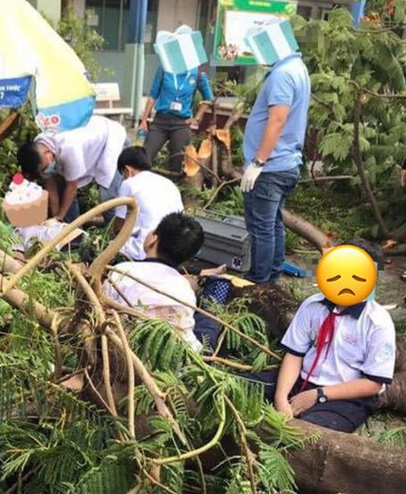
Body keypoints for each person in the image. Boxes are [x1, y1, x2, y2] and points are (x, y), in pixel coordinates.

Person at [250, 239, 396, 433]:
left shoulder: (377, 322)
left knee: (308, 433)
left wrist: (318, 395)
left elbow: (373, 384)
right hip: (302, 380)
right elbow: (294, 354)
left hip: (347, 397)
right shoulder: (313, 305)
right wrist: (281, 398)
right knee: (240, 387)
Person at [240, 37, 311, 284]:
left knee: (261, 225)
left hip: (270, 166)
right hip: (286, 162)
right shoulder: (297, 67)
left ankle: (259, 280)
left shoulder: (282, 74)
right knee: (273, 222)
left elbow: (277, 120)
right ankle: (273, 274)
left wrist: (258, 162)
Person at [103, 212, 225, 352]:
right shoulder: (184, 289)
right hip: (173, 353)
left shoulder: (121, 271)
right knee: (209, 320)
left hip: (121, 344)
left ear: (153, 239)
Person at [17, 115, 127, 224]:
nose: (46, 170)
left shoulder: (68, 148)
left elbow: (71, 187)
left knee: (107, 197)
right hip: (89, 144)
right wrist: (55, 220)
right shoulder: (38, 147)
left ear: (48, 152)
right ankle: (72, 228)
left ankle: (115, 228)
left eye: (45, 168)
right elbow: (51, 184)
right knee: (61, 186)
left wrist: (59, 217)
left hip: (111, 139)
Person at [112, 146, 184, 260]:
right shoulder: (169, 183)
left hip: (145, 250)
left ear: (127, 170)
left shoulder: (129, 184)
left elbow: (119, 226)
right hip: (172, 249)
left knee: (111, 245)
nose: (124, 178)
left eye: (123, 175)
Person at [138, 64, 213, 173]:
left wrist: (196, 118)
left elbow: (208, 98)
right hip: (160, 121)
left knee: (177, 164)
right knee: (144, 157)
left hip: (181, 124)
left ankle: (173, 183)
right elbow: (153, 95)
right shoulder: (164, 69)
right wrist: (144, 120)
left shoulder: (198, 74)